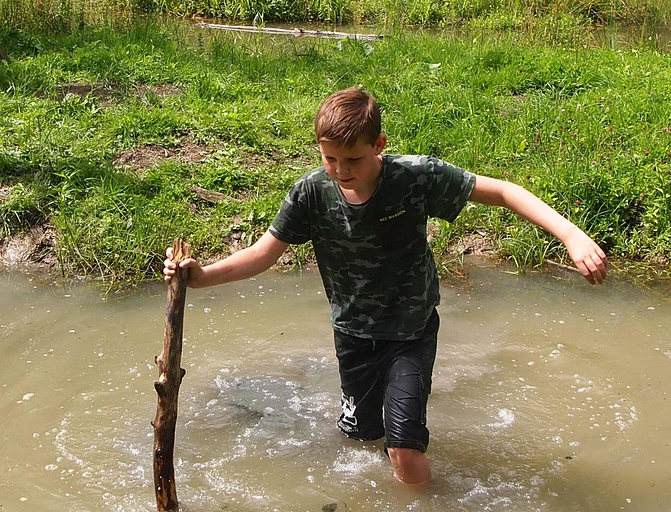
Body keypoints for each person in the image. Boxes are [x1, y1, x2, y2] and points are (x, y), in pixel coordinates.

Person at [164, 87, 608, 488]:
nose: (340, 170)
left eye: (353, 159)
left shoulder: (414, 177)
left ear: (379, 145)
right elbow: (264, 254)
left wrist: (571, 236)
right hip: (353, 336)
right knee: (360, 439)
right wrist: (201, 277)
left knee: (403, 449)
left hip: (410, 333)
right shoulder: (311, 193)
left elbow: (505, 191)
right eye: (329, 158)